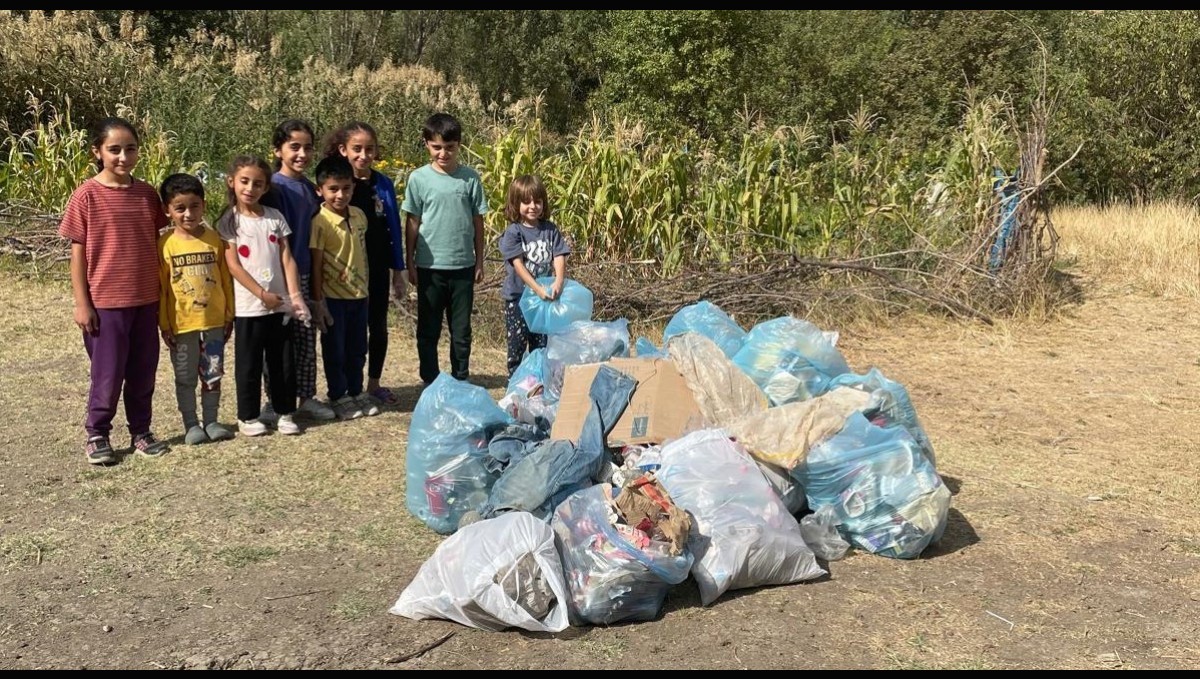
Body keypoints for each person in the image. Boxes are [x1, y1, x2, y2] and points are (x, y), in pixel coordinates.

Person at [59, 117, 172, 464]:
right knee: (107, 373)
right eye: (114, 149)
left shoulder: (147, 194)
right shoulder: (86, 195)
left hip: (146, 300)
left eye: (130, 148)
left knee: (143, 371)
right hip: (106, 304)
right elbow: (77, 253)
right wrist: (83, 303)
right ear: (98, 152)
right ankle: (97, 433)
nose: (123, 156)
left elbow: (159, 242)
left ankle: (141, 430)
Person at [216, 155, 310, 437]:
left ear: (266, 187)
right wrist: (261, 294)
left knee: (283, 361)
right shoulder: (228, 221)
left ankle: (285, 411)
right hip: (249, 308)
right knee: (249, 364)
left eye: (258, 183)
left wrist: (295, 297)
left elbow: (287, 259)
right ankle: (248, 416)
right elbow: (233, 265)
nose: (250, 188)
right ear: (231, 182)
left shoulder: (275, 218)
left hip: (280, 307)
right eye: (244, 181)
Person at [322, 121, 406, 406]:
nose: (363, 155)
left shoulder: (382, 184)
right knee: (346, 330)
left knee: (378, 326)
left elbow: (394, 227)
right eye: (357, 149)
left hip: (378, 267)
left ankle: (373, 384)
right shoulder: (335, 185)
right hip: (343, 271)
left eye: (369, 149)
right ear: (343, 150)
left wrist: (399, 271)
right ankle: (345, 389)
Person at [401, 112, 489, 385]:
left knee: (461, 330)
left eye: (449, 147)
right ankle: (430, 379)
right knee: (428, 329)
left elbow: (478, 222)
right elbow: (413, 221)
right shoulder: (419, 179)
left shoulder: (470, 179)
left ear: (459, 145)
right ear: (426, 143)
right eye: (437, 147)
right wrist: (410, 261)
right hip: (429, 267)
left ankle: (460, 378)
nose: (443, 153)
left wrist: (479, 262)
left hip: (462, 267)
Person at [259, 119, 336, 422]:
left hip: (304, 273)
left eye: (307, 147)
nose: (302, 154)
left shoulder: (309, 188)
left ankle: (306, 396)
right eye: (294, 147)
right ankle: (273, 399)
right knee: (276, 344)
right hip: (276, 276)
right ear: (278, 150)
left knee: (305, 339)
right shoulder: (272, 187)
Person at [157, 173, 236, 445]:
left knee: (212, 372)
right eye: (180, 208)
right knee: (185, 376)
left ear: (203, 205)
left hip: (214, 323)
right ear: (168, 211)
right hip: (182, 326)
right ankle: (191, 424)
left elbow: (226, 280)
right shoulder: (165, 244)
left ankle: (212, 421)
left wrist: (229, 315)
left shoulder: (215, 239)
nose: (188, 214)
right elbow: (163, 289)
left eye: (194, 206)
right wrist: (165, 324)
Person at [309, 154, 380, 420]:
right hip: (333, 298)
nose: (340, 195)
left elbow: (363, 252)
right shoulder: (320, 222)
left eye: (346, 188)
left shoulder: (359, 215)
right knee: (335, 350)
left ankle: (356, 390)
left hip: (359, 295)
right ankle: (338, 395)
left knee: (357, 348)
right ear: (320, 190)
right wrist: (318, 301)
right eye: (333, 189)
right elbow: (315, 265)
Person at [498, 174, 571, 377]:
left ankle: (539, 383)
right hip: (519, 299)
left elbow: (559, 255)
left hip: (544, 300)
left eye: (537, 201)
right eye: (526, 201)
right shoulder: (514, 232)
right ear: (516, 203)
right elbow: (518, 266)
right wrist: (536, 288)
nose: (533, 206)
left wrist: (558, 281)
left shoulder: (550, 230)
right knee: (517, 344)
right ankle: (515, 382)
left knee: (542, 344)